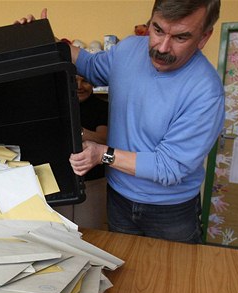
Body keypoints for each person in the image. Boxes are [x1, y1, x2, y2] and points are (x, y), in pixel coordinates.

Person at [16, 0, 225, 244]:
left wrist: (103, 154)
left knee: (175, 278)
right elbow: (90, 65)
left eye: (181, 37)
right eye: (157, 30)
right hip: (118, 197)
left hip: (170, 211)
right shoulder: (128, 50)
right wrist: (45, 38)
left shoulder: (206, 91)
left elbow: (170, 166)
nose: (162, 47)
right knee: (127, 274)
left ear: (203, 37)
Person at [53, 75, 109, 229]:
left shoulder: (102, 107)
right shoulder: (54, 105)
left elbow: (103, 139)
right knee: (60, 231)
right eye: (74, 80)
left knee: (90, 232)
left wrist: (78, 130)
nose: (79, 86)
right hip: (59, 180)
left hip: (93, 180)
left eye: (85, 81)